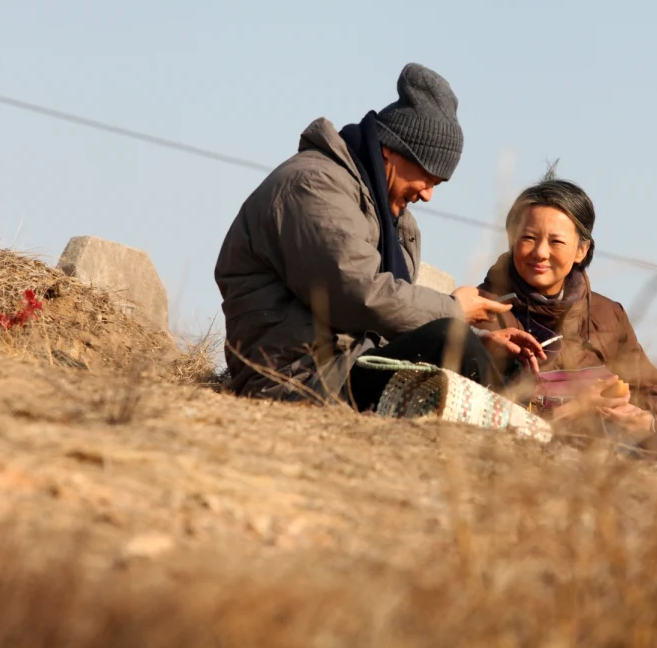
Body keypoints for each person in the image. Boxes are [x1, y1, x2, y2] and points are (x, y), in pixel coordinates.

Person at [214, 63, 544, 410]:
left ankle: (526, 435)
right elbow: (358, 295)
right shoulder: (315, 186)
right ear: (391, 149)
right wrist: (453, 311)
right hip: (299, 380)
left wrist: (482, 339)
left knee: (497, 360)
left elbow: (388, 319)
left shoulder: (387, 213)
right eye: (429, 178)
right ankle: (513, 435)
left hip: (351, 365)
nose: (429, 195)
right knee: (450, 339)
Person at [474, 172, 657, 469]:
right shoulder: (485, 309)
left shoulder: (609, 315)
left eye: (556, 241)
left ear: (581, 250)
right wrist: (578, 407)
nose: (540, 253)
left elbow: (652, 390)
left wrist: (647, 419)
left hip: (617, 451)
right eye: (528, 238)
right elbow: (487, 405)